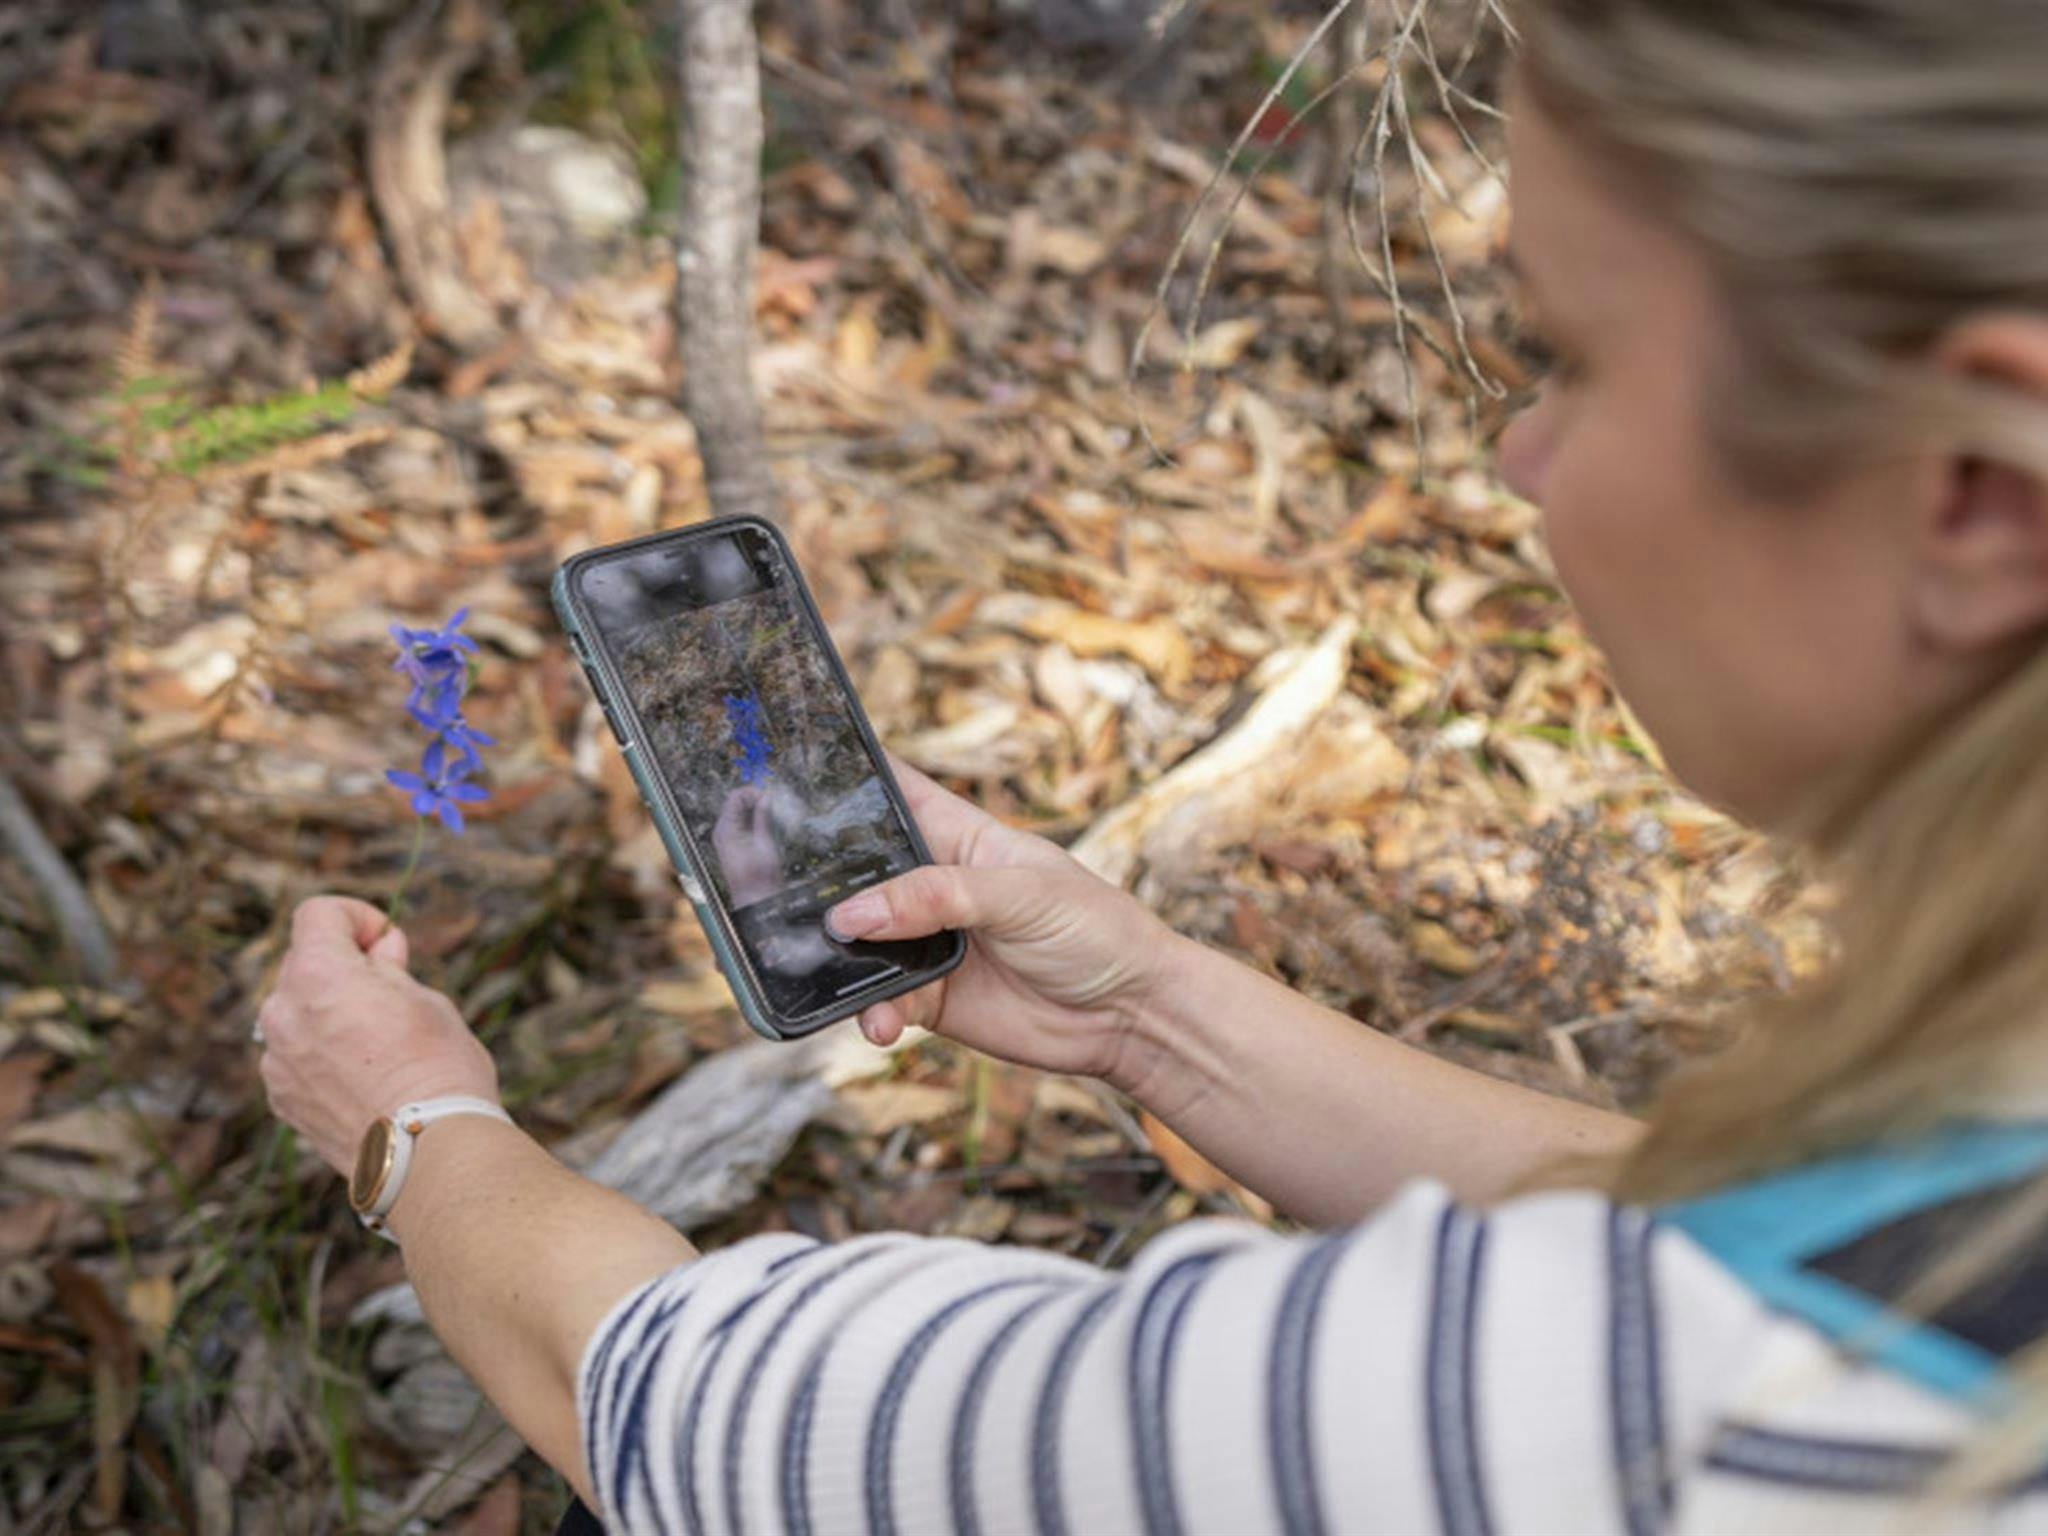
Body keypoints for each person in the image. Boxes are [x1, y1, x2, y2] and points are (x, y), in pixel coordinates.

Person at [254, 0, 2048, 1528]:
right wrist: (1149, 1017)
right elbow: (1762, 1224)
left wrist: (412, 1123)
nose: (1521, 454)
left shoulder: (1625, 1424)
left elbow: (689, 1410)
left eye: (1569, 351)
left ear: (1977, 503)